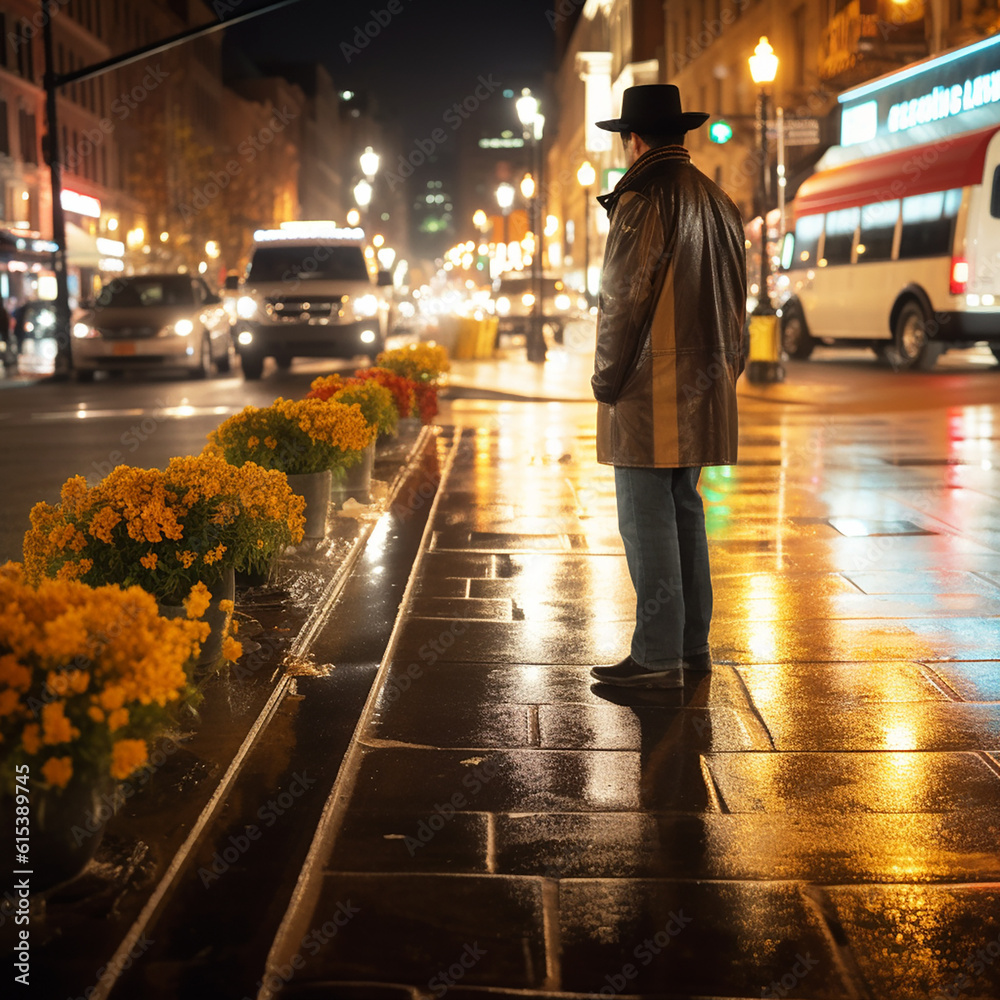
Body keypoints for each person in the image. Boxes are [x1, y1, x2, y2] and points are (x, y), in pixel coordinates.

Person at [588, 84, 747, 690]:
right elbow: (739, 306)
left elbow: (621, 303)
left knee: (644, 516)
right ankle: (690, 646)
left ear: (633, 138)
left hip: (648, 388)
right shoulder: (719, 201)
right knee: (684, 510)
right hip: (703, 390)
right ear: (679, 134)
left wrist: (606, 381)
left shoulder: (643, 197)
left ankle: (656, 656)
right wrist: (724, 377)